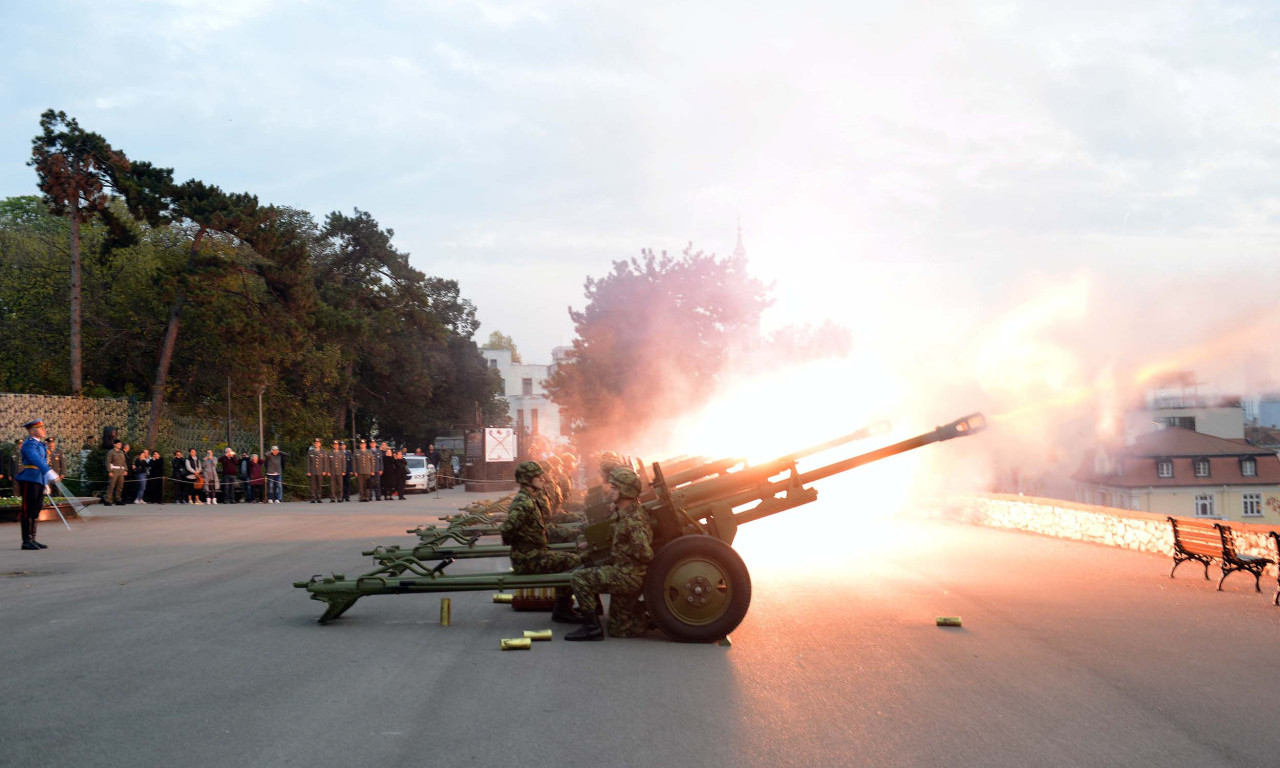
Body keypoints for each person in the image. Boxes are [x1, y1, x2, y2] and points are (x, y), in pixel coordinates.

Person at [566, 467, 655, 641]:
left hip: (627, 575)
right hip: (624, 571)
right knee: (617, 629)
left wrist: (628, 558)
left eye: (615, 488)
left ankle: (592, 628)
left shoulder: (632, 520)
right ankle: (651, 618)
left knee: (579, 578)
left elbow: (645, 553)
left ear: (625, 491)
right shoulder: (625, 513)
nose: (611, 490)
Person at [499, 460, 585, 624]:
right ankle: (562, 610)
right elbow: (506, 530)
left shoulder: (529, 499)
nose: (542, 479)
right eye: (537, 477)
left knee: (569, 558)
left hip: (533, 555)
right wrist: (523, 543)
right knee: (573, 561)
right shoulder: (524, 502)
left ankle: (563, 608)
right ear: (527, 479)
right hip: (527, 560)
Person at [15, 419, 59, 550]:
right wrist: (48, 472)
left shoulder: (41, 445)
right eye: (40, 428)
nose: (44, 430)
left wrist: (45, 482)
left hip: (39, 479)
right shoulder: (29, 444)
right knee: (28, 510)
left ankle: (33, 538)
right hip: (31, 478)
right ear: (32, 430)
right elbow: (35, 459)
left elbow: (42, 461)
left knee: (35, 510)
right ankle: (26, 541)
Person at [105, 439, 128, 505]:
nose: (120, 445)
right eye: (118, 444)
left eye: (120, 444)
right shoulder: (111, 452)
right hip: (114, 470)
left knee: (120, 486)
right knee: (111, 485)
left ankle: (118, 499)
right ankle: (108, 500)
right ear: (114, 444)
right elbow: (108, 462)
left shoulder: (121, 452)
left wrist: (125, 469)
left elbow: (124, 462)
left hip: (121, 470)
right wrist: (109, 471)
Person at [306, 438, 326, 503]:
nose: (317, 444)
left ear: (320, 444)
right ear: (314, 444)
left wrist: (324, 470)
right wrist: (308, 471)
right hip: (313, 471)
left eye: (318, 443)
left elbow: (324, 462)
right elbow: (308, 462)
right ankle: (313, 498)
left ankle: (319, 498)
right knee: (312, 485)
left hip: (320, 471)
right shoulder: (310, 452)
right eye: (316, 443)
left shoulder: (323, 452)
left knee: (319, 485)